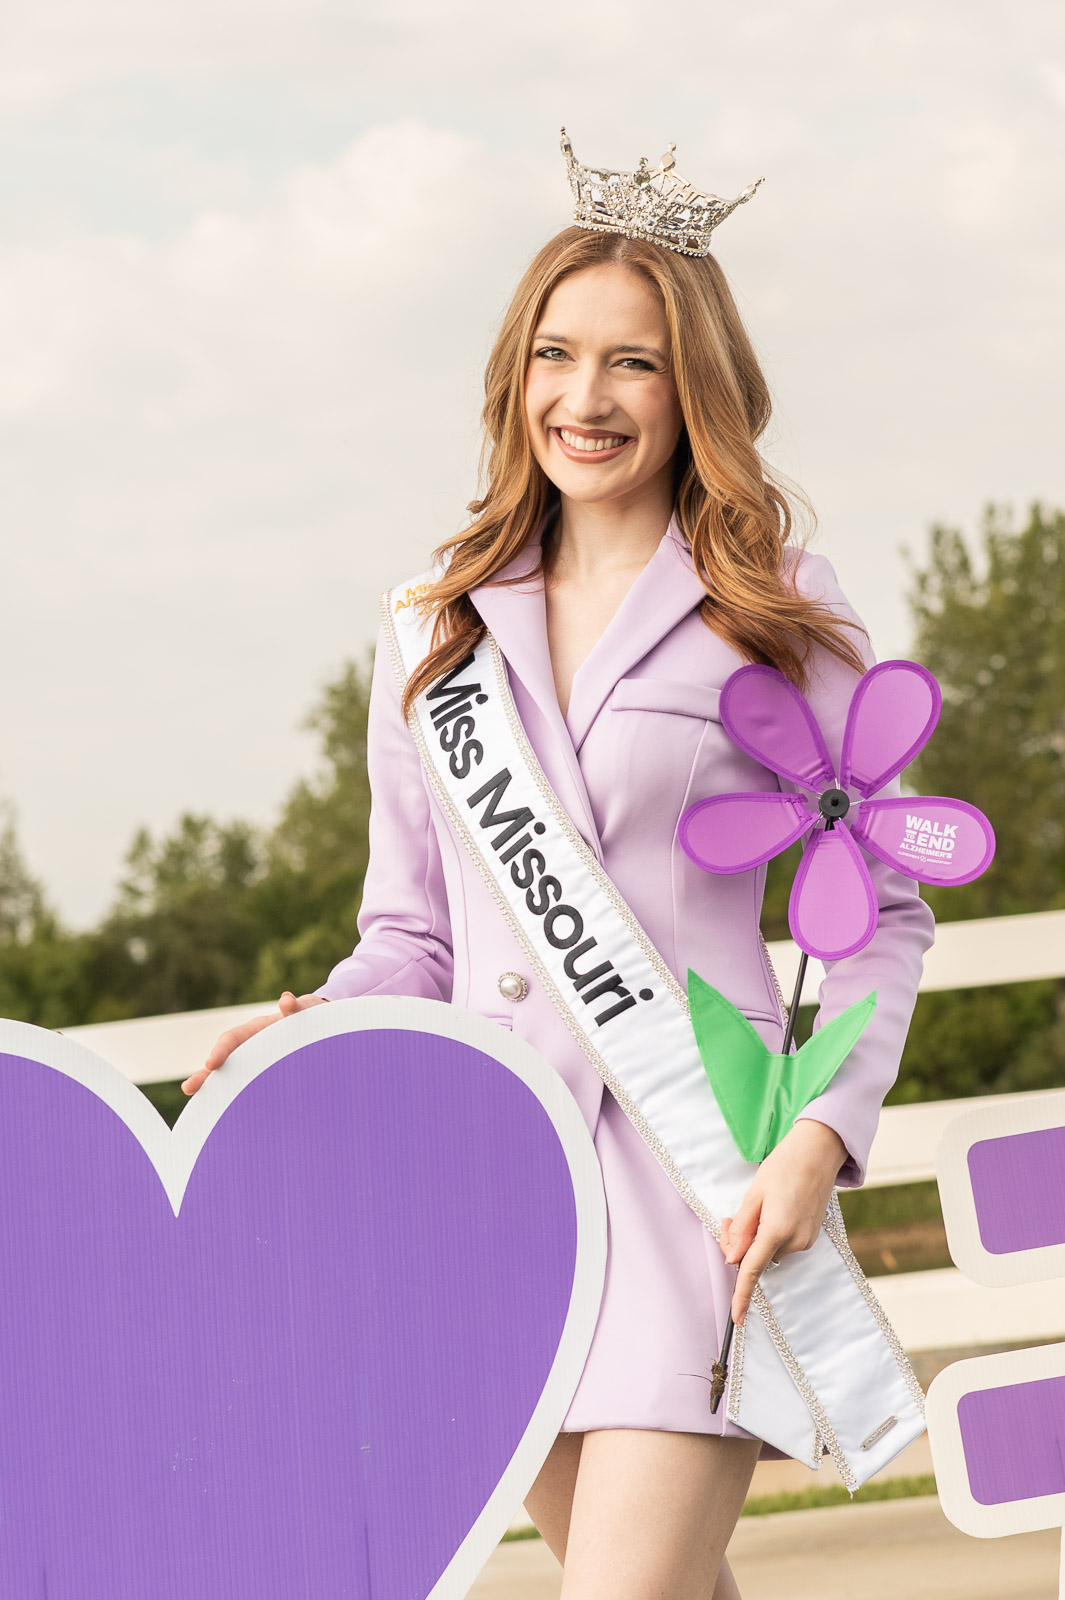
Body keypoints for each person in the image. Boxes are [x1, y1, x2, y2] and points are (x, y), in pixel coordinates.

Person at [182, 136, 934, 1599]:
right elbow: (410, 935)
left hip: (696, 1181)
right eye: (554, 355)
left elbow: (877, 916)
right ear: (512, 376)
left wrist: (817, 1139)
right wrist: (314, 1035)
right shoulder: (434, 632)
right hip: (488, 1195)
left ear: (692, 387)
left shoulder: (769, 615)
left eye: (632, 365)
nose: (583, 401)